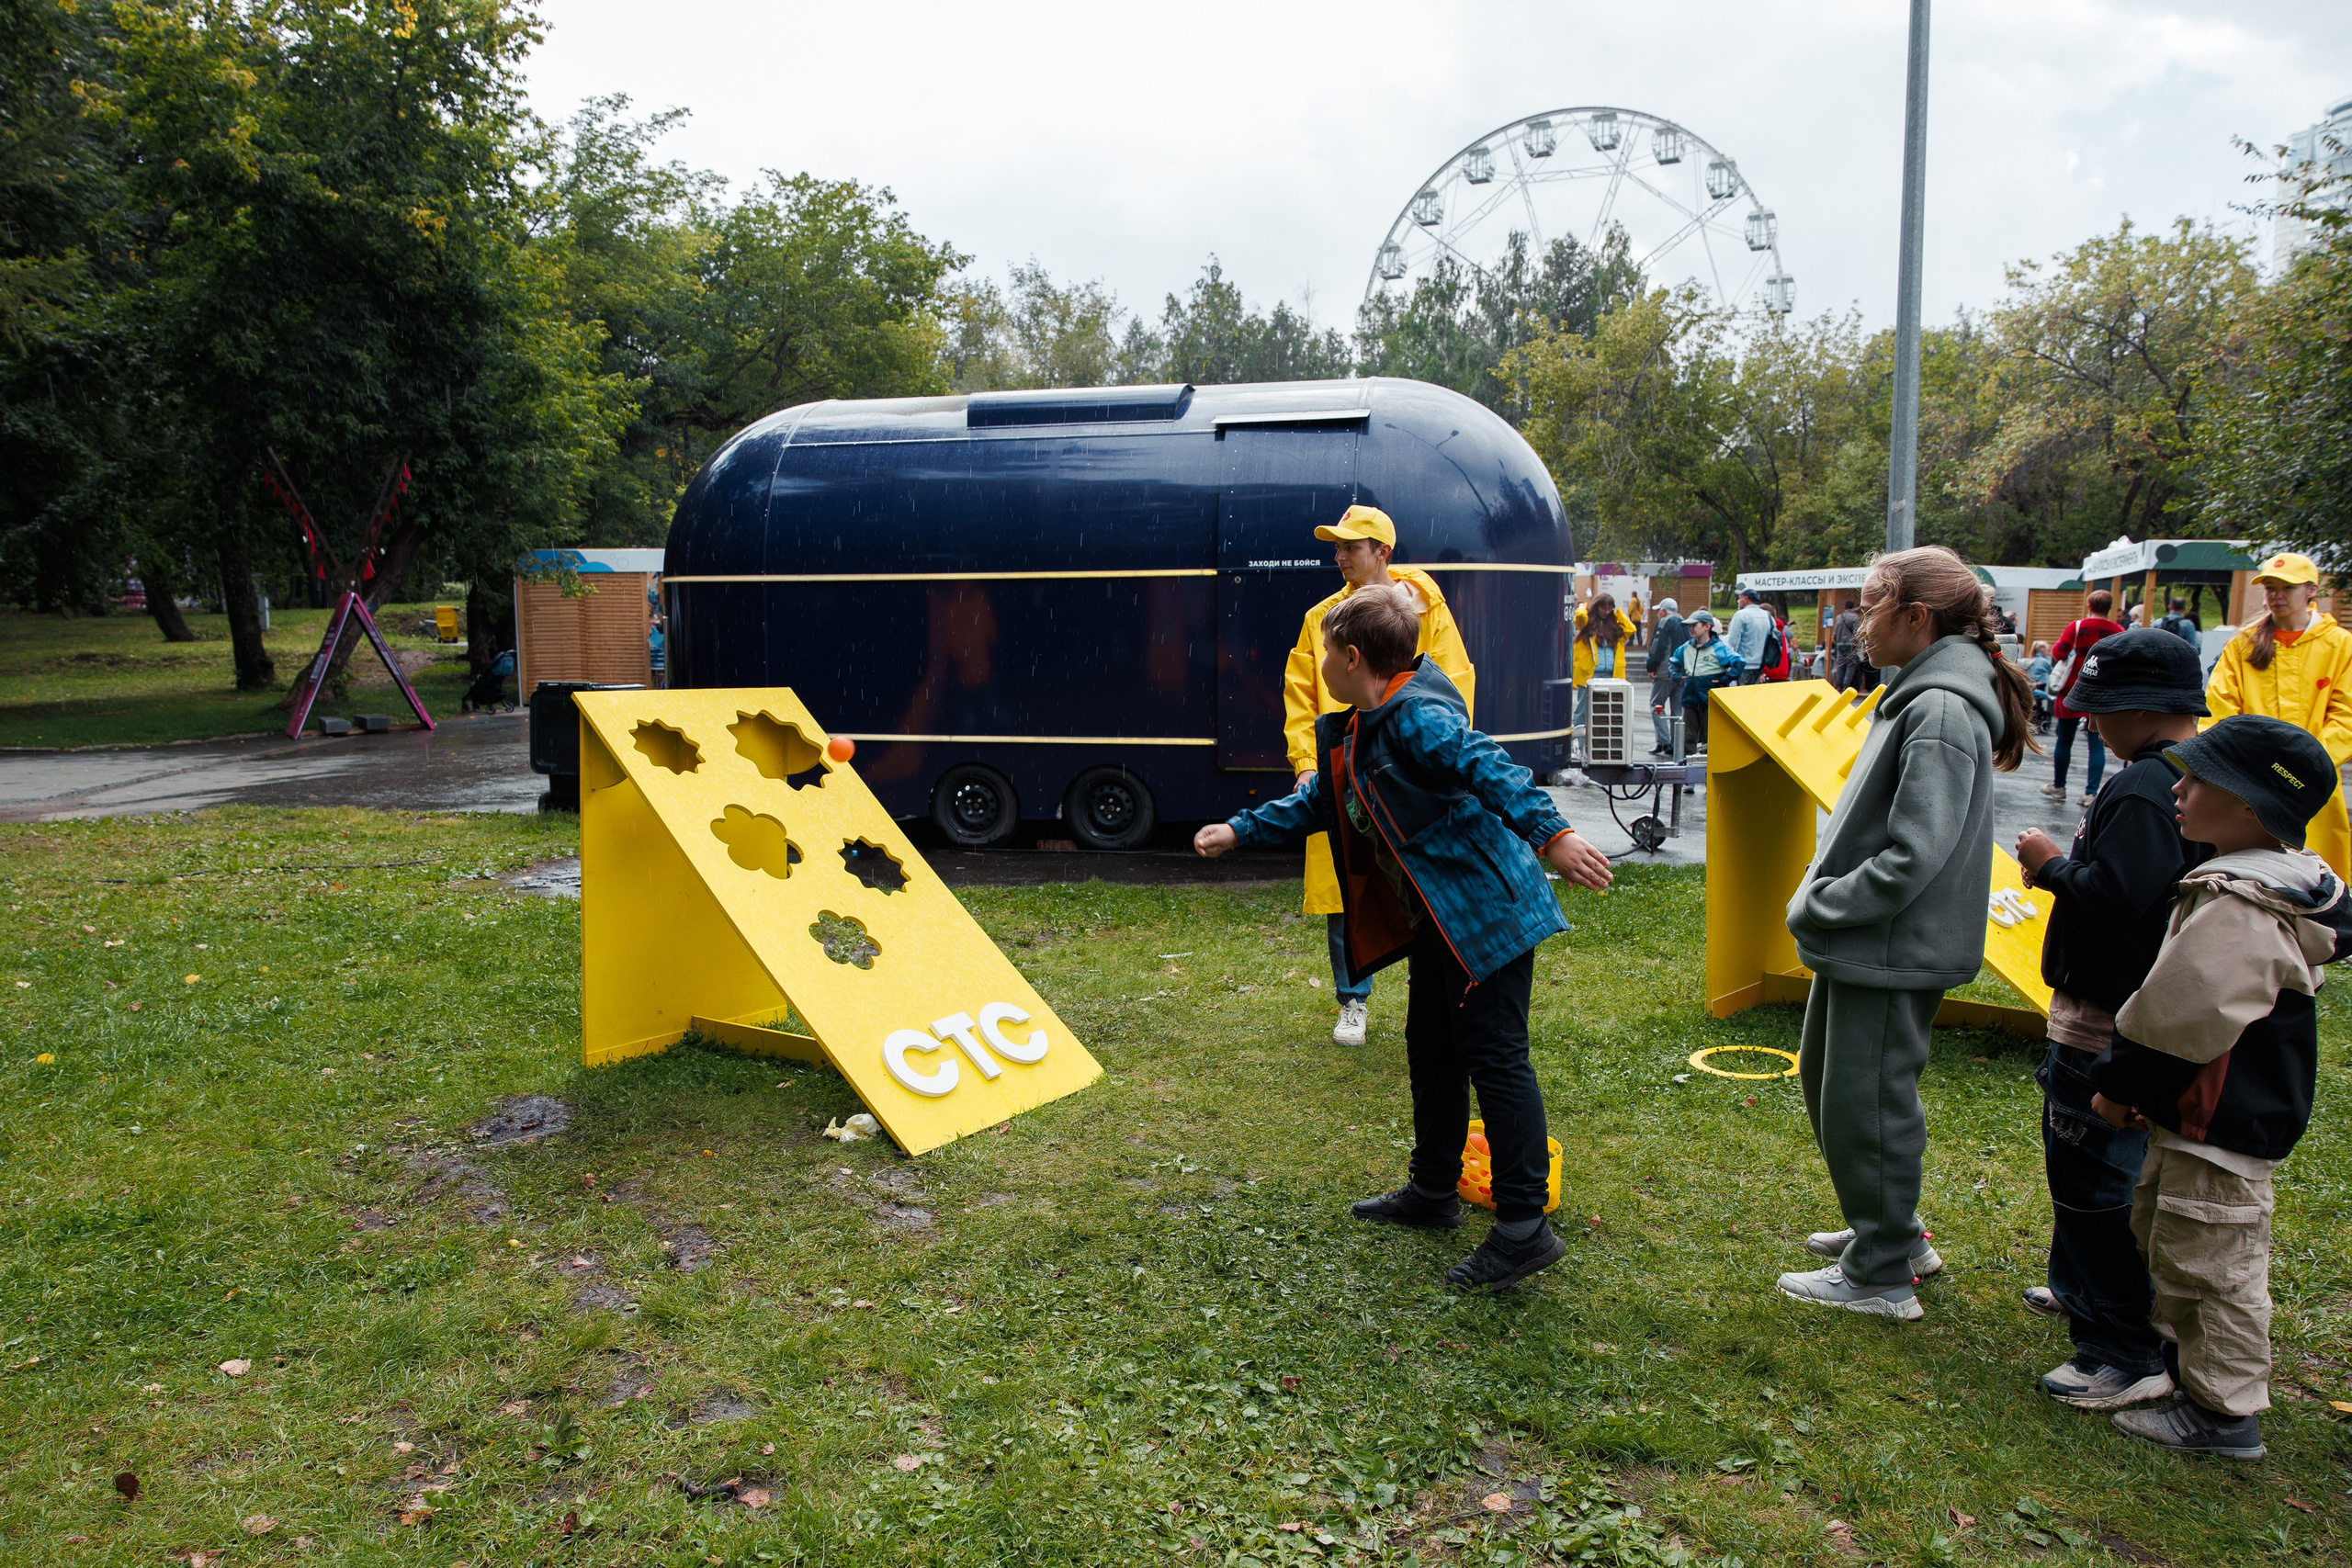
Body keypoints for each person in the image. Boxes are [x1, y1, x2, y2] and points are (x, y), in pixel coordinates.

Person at [1195, 584, 1615, 1291]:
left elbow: (1488, 765)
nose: (1319, 661)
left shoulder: (1417, 717)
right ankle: (1433, 1190)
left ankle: (1523, 1229)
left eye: (1326, 650)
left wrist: (1555, 834)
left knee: (1497, 1060)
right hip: (1441, 922)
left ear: (1353, 656)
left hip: (1487, 914)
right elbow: (1320, 799)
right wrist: (1240, 830)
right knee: (1433, 1048)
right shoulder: (1365, 723)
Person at [1778, 546, 2037, 1319]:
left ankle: (1882, 1272)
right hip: (1869, 943)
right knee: (1834, 1088)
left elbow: (1913, 853)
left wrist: (1821, 902)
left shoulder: (1942, 710)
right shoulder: (1919, 696)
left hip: (1889, 944)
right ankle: (1893, 1228)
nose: (1857, 623)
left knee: (1869, 1105)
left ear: (1917, 617)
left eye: (1870, 606)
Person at [2089, 716, 2352, 1459]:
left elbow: (2178, 1017)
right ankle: (2195, 1380)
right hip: (2208, 1119)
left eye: (2197, 780)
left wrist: (2120, 1084)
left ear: (2248, 806)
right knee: (2181, 1245)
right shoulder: (2257, 884)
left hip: (2221, 1121)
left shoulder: (2242, 906)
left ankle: (2223, 1414)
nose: (2176, 789)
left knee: (2212, 1267)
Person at [2013, 630, 2211, 1412]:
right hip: (2132, 1014)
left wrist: (2050, 864)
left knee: (2091, 1182)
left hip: (2104, 1020)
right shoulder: (2190, 778)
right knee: (2100, 1174)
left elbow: (2123, 895)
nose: (2090, 723)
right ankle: (2081, 1287)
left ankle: (2120, 1349)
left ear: (2140, 710)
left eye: (2099, 710)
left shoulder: (2142, 788)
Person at [1283, 505, 1476, 1049]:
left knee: (1425, 883)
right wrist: (1306, 763)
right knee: (1349, 885)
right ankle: (1353, 1000)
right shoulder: (1323, 617)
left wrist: (1441, 759)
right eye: (1336, 547)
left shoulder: (1424, 606)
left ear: (1382, 552)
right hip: (1346, 770)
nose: (1339, 556)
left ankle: (1431, 991)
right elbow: (1301, 693)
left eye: (1350, 546)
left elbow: (1454, 681)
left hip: (1412, 775)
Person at [2205, 552, 2352, 881]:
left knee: (2316, 880)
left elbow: (2347, 717)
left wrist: (2305, 765)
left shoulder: (2342, 646)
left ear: (2312, 590)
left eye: (2287, 587)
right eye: (2270, 587)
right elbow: (2219, 709)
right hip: (2246, 786)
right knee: (2247, 880)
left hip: (2313, 786)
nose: (2277, 595)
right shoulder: (2242, 644)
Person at [2045, 590, 2126, 805]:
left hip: (2073, 690)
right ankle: (2090, 793)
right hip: (2100, 693)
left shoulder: (2077, 627)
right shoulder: (2118, 631)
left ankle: (2059, 787)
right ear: (2109, 608)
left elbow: (2058, 653)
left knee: (2064, 740)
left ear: (2089, 606)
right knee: (2097, 744)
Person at [1571, 592, 1635, 764]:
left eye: (1609, 608)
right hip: (1590, 675)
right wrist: (1584, 606)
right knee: (1582, 712)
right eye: (1603, 607)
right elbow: (1579, 618)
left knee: (1609, 713)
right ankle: (1579, 747)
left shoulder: (1615, 626)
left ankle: (1604, 749)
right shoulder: (1587, 625)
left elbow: (1631, 629)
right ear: (1596, 606)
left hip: (1611, 677)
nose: (1606, 611)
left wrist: (1618, 613)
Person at [1668, 610, 1742, 752]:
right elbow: (1673, 661)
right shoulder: (1686, 647)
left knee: (1710, 738)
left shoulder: (1719, 648)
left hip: (1710, 700)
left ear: (1707, 626)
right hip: (1690, 699)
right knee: (1687, 737)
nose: (1690, 629)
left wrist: (1725, 680)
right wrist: (1676, 676)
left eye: (1694, 625)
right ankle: (1687, 763)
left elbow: (1739, 662)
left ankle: (1710, 764)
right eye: (1689, 626)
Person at [1647, 597, 1689, 757]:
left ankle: (1663, 741)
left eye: (1659, 611)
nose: (1658, 614)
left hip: (1665, 672)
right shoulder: (1685, 624)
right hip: (1681, 673)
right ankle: (1676, 743)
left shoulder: (1664, 623)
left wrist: (1652, 666)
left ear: (1664, 611)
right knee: (1677, 710)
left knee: (1656, 705)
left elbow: (1657, 647)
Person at [1726, 586, 1773, 685]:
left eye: (1740, 598)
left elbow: (1733, 641)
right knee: (1752, 692)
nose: (1738, 601)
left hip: (1744, 663)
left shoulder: (1741, 615)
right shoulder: (1767, 615)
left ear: (1746, 598)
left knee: (1741, 692)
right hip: (1760, 663)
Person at [1828, 597, 1864, 692]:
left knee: (1840, 665)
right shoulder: (1855, 618)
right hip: (1850, 644)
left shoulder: (1838, 617)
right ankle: (1846, 685)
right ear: (1853, 607)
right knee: (1850, 666)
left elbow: (1835, 633)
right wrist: (1858, 644)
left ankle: (1838, 685)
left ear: (1844, 606)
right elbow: (1856, 633)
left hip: (1839, 644)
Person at [2027, 640, 2055, 733]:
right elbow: (2051, 671)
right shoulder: (2044, 661)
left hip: (2032, 684)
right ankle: (2039, 719)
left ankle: (2034, 719)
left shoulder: (2032, 660)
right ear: (2042, 650)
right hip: (2040, 684)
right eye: (2047, 650)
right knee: (2039, 702)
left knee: (2035, 703)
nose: (2048, 652)